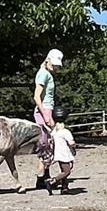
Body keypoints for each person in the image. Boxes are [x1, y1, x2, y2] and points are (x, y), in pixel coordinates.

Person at [33, 49, 63, 189]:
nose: (56, 67)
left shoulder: (46, 74)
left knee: (49, 145)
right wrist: (46, 116)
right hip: (44, 111)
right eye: (55, 64)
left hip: (47, 110)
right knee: (45, 146)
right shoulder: (43, 74)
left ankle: (45, 176)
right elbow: (37, 97)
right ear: (48, 60)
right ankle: (40, 178)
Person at [45, 107, 76, 194]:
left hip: (57, 154)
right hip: (64, 154)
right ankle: (52, 181)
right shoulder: (66, 132)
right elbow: (71, 143)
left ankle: (64, 187)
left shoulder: (54, 132)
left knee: (62, 170)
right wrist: (74, 146)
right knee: (67, 171)